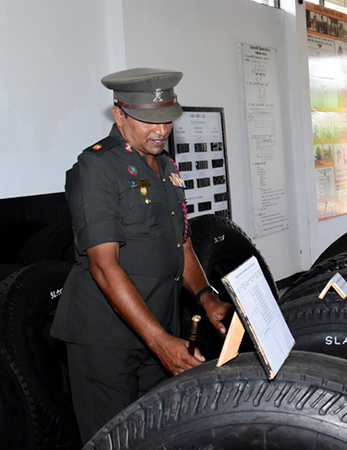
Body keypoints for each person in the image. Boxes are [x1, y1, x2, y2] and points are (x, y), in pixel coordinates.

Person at [50, 68, 233, 443]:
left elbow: (179, 245)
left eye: (167, 120)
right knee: (113, 438)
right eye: (149, 120)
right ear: (119, 114)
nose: (161, 130)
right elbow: (103, 267)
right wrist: (161, 343)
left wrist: (205, 296)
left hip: (158, 326)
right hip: (105, 340)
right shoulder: (97, 168)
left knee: (158, 434)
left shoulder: (167, 168)